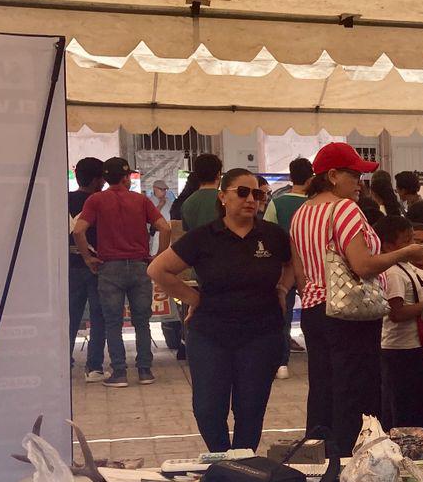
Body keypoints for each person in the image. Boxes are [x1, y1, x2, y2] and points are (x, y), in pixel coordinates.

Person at [290, 142, 423, 457]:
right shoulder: (343, 208)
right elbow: (363, 265)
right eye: (354, 175)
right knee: (355, 396)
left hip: (315, 311)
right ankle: (351, 463)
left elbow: (299, 271)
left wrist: (316, 292)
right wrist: (405, 253)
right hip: (349, 315)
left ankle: (319, 461)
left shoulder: (302, 212)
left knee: (323, 390)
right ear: (332, 175)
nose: (360, 183)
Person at [148, 169, 292, 452]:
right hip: (211, 333)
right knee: (208, 408)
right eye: (242, 192)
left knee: (250, 408)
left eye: (257, 194)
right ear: (223, 196)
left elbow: (292, 265)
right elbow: (158, 270)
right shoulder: (204, 237)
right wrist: (194, 299)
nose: (251, 199)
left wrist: (283, 289)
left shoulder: (273, 235)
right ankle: (221, 458)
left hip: (261, 333)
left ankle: (242, 462)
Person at [72, 157, 172, 388]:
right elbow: (165, 228)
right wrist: (160, 258)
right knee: (142, 321)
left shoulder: (96, 200)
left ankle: (119, 373)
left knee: (113, 323)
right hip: (140, 267)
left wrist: (88, 257)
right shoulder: (141, 200)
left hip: (109, 268)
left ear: (105, 178)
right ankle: (145, 371)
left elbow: (79, 231)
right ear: (127, 177)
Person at [377, 215, 423, 447]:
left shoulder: (406, 268)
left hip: (412, 346)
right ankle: (401, 449)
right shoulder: (394, 272)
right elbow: (396, 312)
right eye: (407, 241)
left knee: (412, 402)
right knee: (401, 407)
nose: (414, 247)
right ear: (388, 246)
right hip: (398, 349)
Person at [266, 157, 313, 379]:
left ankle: (281, 362)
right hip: (315, 267)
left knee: (283, 314)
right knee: (315, 312)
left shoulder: (277, 202)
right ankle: (316, 356)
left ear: (291, 176)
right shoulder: (317, 203)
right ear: (311, 176)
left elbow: (268, 234)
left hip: (284, 267)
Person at [69, 157, 108, 382]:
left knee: (70, 317)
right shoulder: (100, 202)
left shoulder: (63, 199)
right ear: (97, 180)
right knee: (98, 316)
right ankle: (94, 367)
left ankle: (64, 361)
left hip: (69, 267)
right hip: (96, 265)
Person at [178, 155, 224, 232]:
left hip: (196, 243)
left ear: (197, 175)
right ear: (218, 174)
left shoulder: (187, 203)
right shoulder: (225, 199)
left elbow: (187, 234)